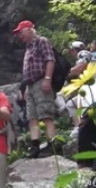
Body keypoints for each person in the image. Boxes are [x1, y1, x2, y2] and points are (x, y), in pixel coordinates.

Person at [13, 20, 60, 157]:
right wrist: (27, 87)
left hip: (41, 81)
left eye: (20, 32)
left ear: (29, 29)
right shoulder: (28, 48)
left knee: (46, 114)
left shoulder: (41, 41)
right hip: (31, 85)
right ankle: (35, 146)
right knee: (32, 116)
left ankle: (53, 144)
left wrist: (47, 79)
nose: (19, 36)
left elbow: (50, 60)